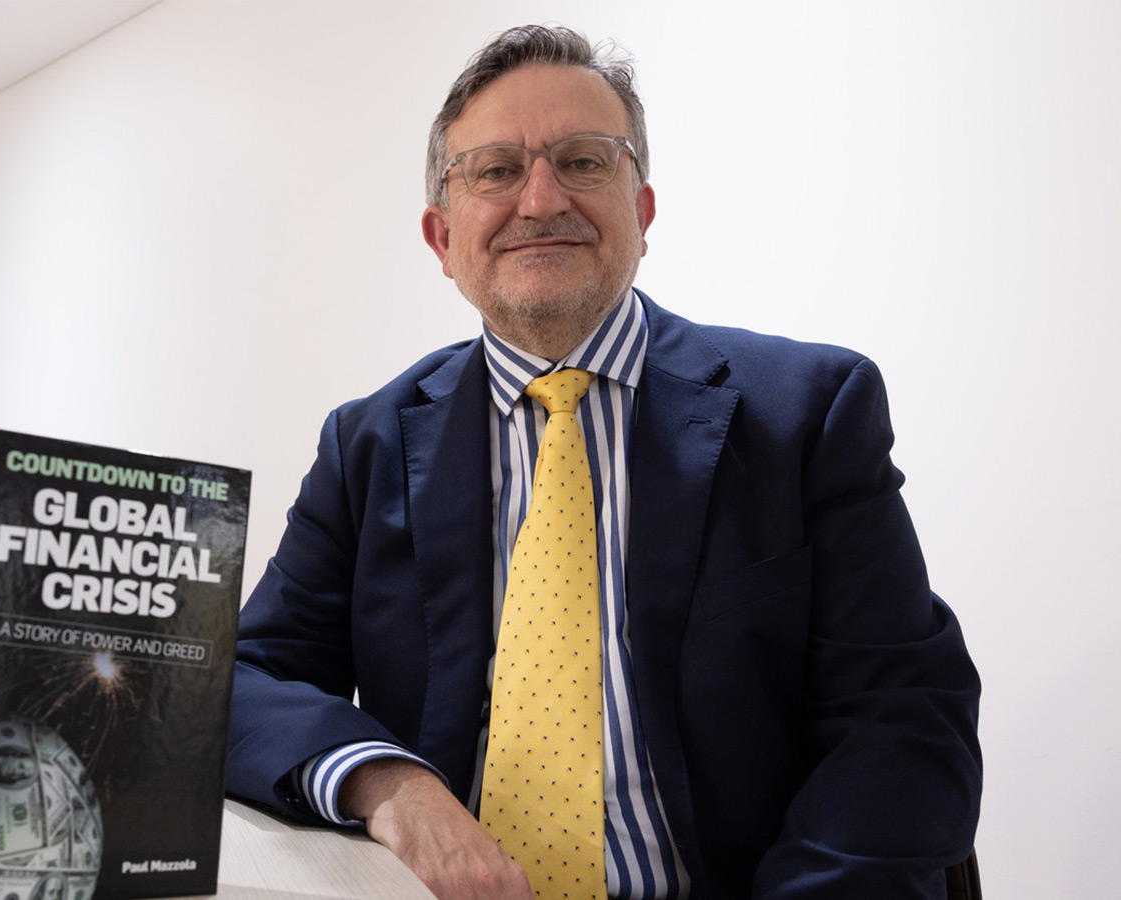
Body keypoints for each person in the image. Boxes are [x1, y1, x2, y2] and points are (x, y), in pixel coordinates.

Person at [225, 24, 981, 900]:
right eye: (496, 171)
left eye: (584, 161)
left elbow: (901, 719)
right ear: (441, 238)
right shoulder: (366, 444)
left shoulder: (809, 411)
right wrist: (387, 781)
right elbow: (243, 681)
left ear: (642, 212)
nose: (541, 199)